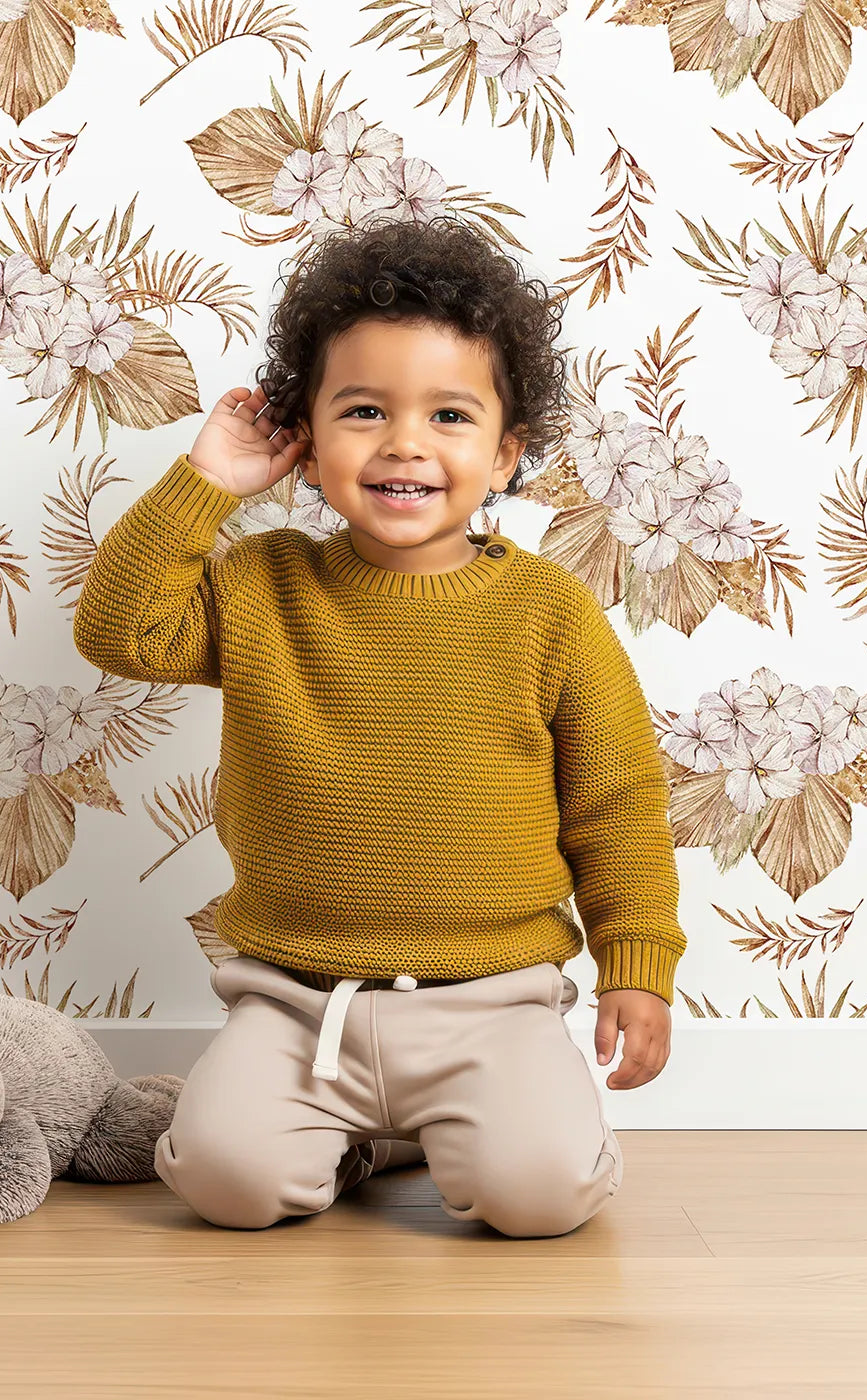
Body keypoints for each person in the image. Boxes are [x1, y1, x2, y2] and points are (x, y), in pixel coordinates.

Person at [72, 214, 685, 1236]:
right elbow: (119, 630)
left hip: (492, 1001)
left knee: (538, 1198)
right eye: (362, 410)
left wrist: (636, 961)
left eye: (449, 415)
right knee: (224, 1180)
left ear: (505, 455)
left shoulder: (548, 612)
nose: (404, 441)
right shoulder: (261, 585)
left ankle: (457, 1120)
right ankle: (358, 1132)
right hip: (296, 1001)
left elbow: (617, 806)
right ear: (305, 446)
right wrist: (206, 484)